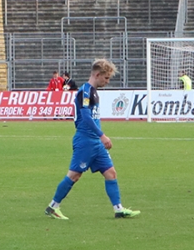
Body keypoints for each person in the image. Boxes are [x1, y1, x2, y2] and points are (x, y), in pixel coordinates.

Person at [45, 59, 140, 221]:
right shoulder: (85, 91)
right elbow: (86, 116)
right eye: (106, 78)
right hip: (85, 140)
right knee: (74, 175)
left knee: (111, 173)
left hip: (95, 142)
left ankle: (118, 209)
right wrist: (102, 135)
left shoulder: (94, 92)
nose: (107, 81)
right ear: (97, 74)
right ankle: (53, 207)